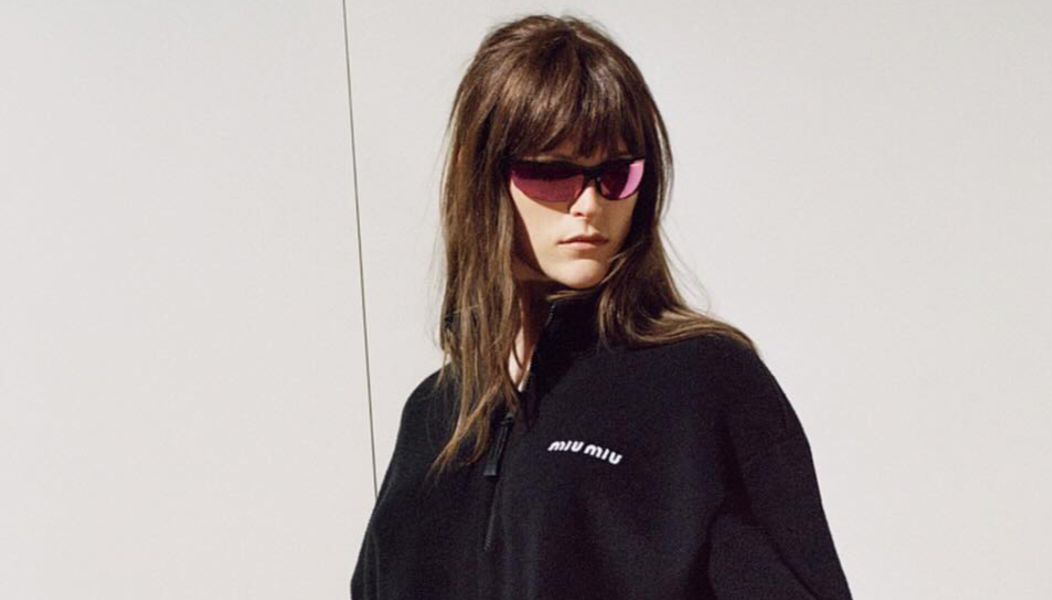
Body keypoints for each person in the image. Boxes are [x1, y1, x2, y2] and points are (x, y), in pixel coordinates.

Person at [351, 13, 853, 600]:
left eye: (616, 175)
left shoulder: (702, 383)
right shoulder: (433, 414)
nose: (589, 203)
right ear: (477, 173)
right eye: (552, 173)